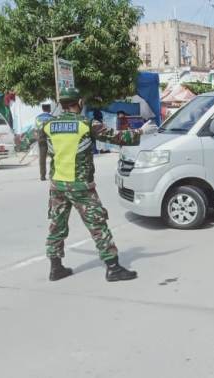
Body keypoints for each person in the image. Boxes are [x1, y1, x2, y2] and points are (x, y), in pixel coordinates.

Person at [42, 88, 158, 282]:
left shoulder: (48, 125)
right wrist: (141, 131)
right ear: (78, 102)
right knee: (98, 226)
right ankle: (113, 268)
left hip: (58, 186)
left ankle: (56, 268)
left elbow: (29, 141)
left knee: (56, 226)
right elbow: (117, 137)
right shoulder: (86, 124)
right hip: (81, 187)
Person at [35, 103, 54, 181]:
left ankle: (42, 175)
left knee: (42, 158)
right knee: (54, 157)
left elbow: (36, 130)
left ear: (42, 109)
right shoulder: (52, 118)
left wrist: (37, 138)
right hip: (51, 139)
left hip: (41, 138)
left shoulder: (37, 118)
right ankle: (52, 174)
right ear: (49, 109)